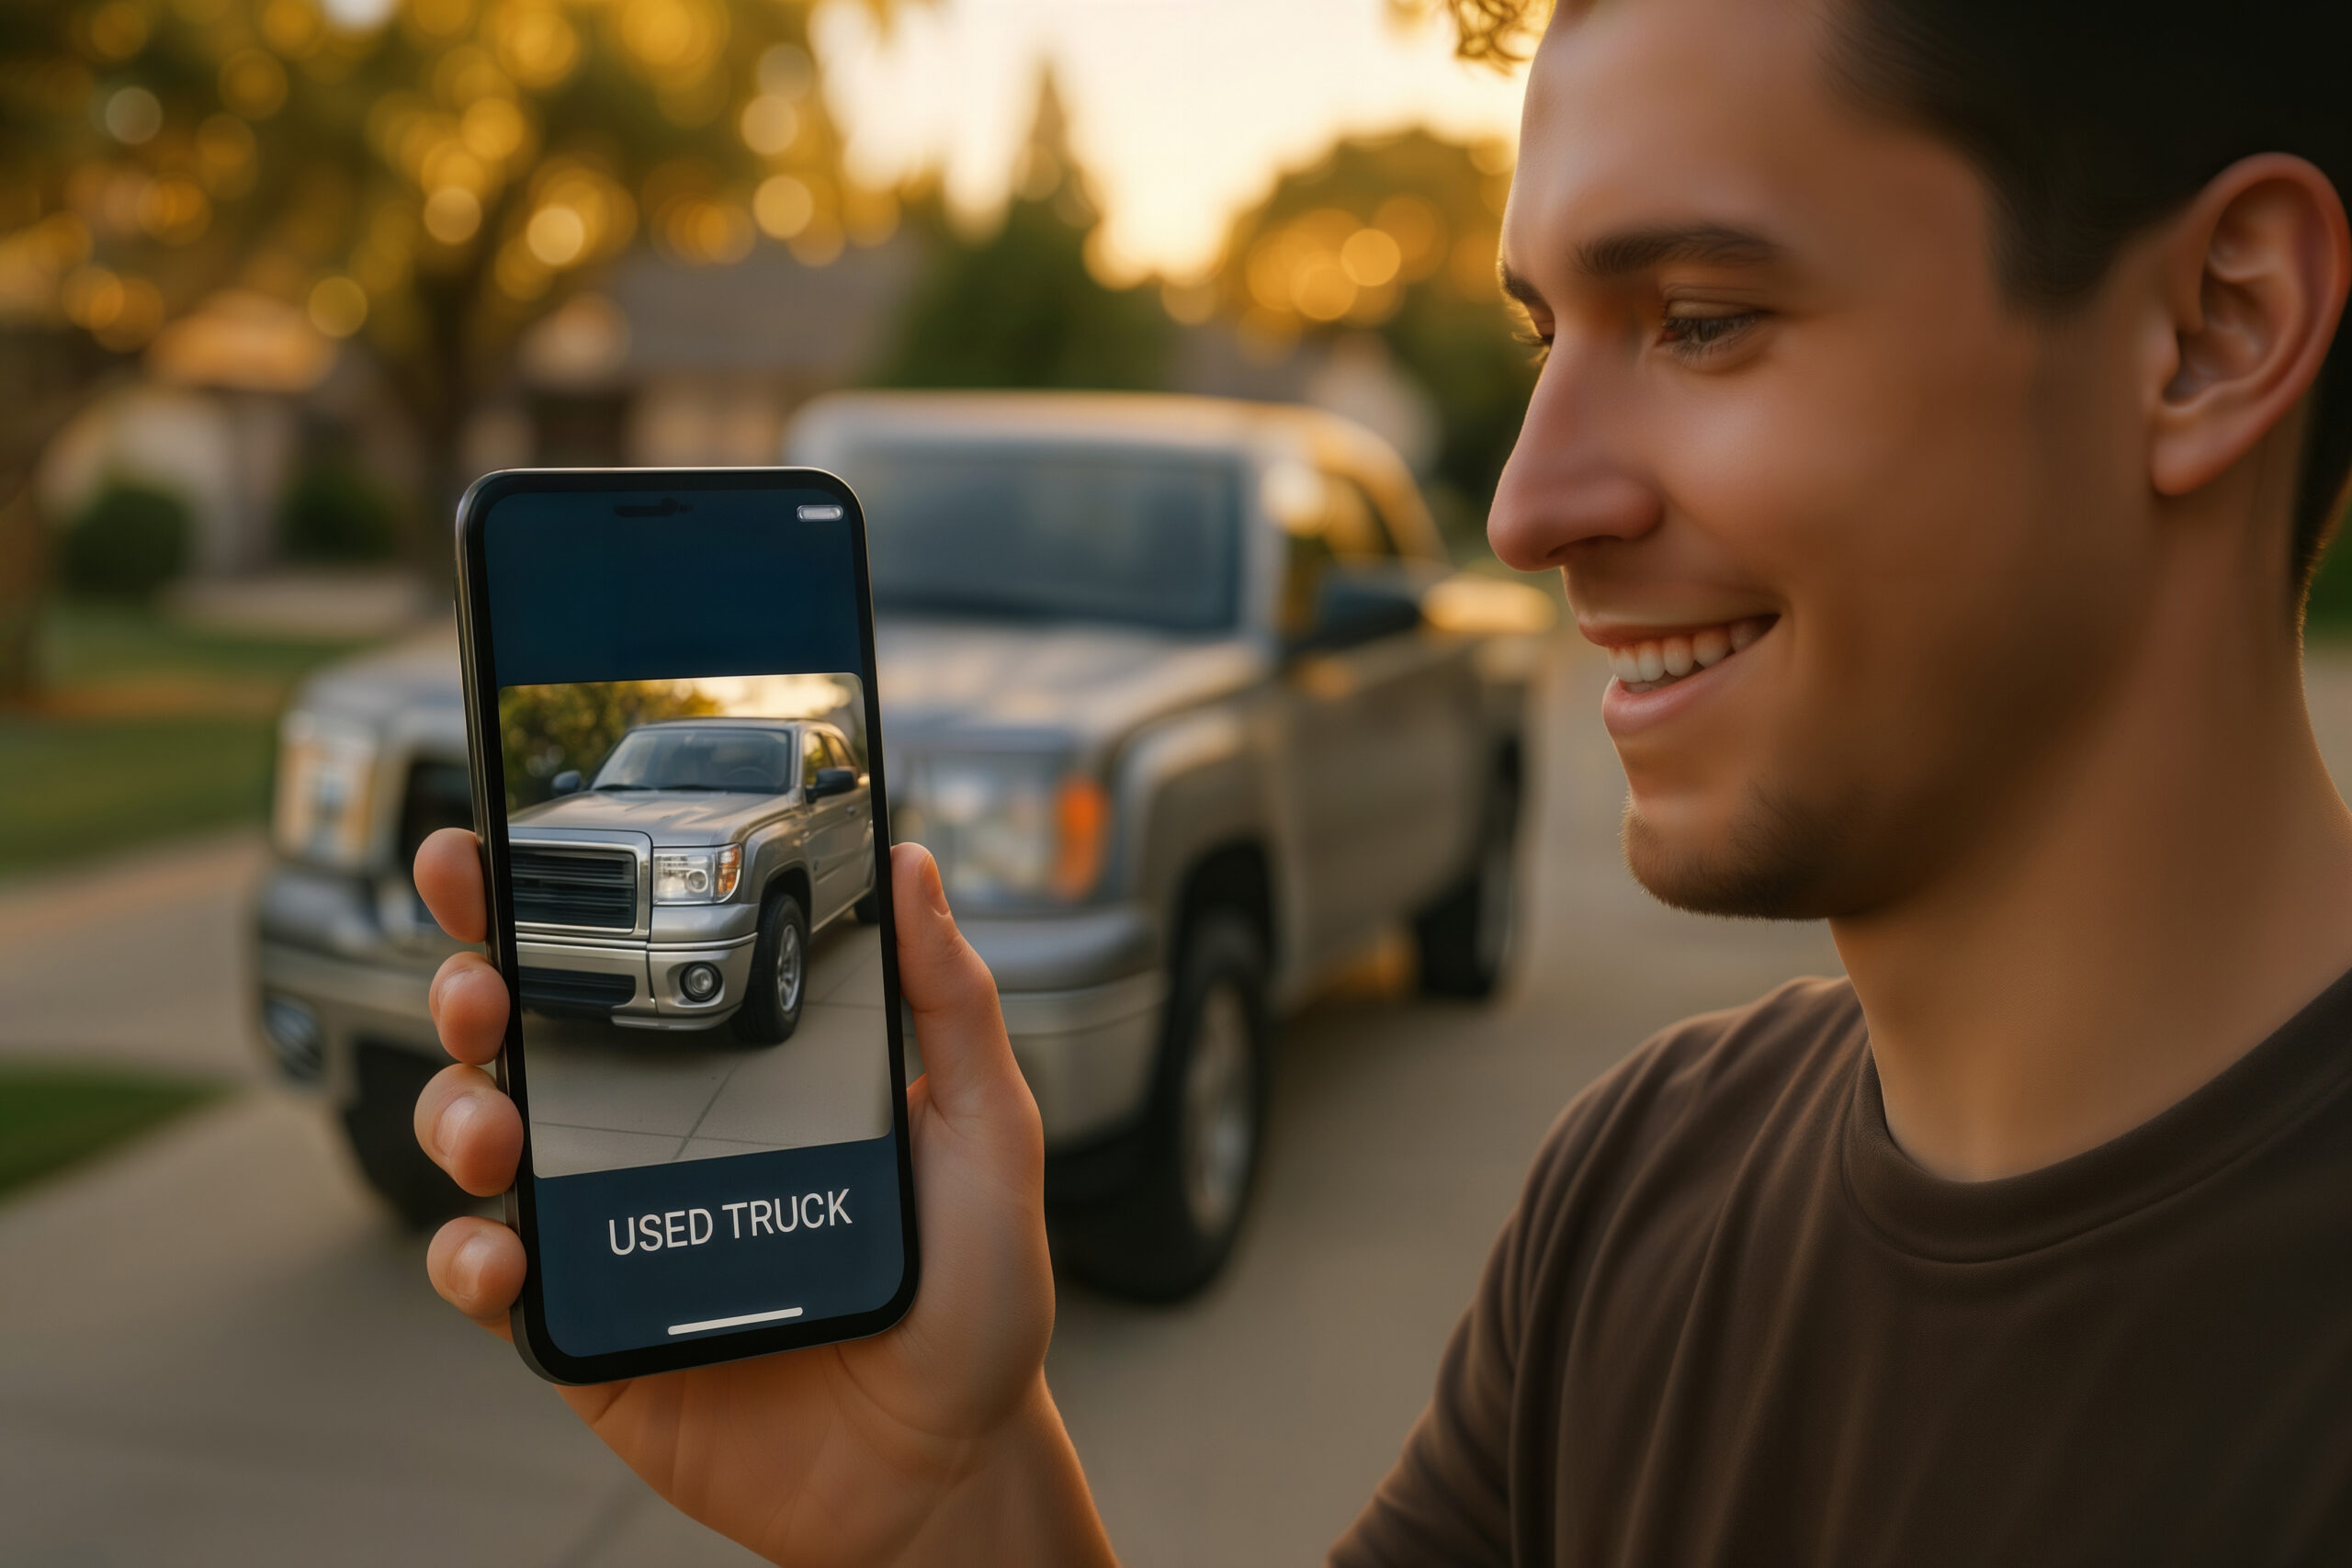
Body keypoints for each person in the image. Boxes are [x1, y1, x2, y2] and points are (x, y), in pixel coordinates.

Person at [409, 0, 2352, 1559]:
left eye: (1699, 318)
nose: (1521, 506)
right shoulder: (1634, 1190)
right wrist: (943, 1498)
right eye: (1540, 333)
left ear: (2209, 330)